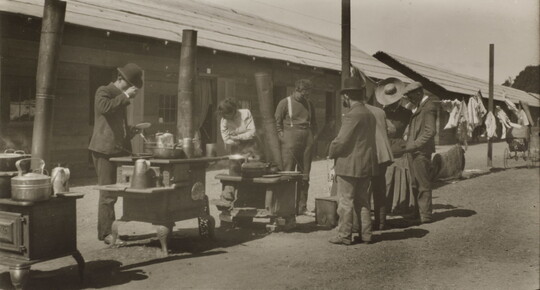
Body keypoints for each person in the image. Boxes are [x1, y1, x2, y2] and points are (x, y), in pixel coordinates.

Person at [88, 63, 143, 245]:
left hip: (117, 150)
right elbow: (104, 108)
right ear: (120, 79)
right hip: (104, 150)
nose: (132, 90)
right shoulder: (103, 91)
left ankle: (110, 230)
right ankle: (106, 234)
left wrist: (131, 130)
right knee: (107, 194)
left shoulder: (120, 97)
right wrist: (126, 95)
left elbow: (115, 123)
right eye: (130, 85)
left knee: (116, 192)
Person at [328, 77, 378, 245]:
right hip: (366, 165)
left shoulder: (352, 115)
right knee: (363, 201)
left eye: (343, 97)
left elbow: (341, 141)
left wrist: (331, 152)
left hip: (349, 165)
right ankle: (367, 235)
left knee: (345, 202)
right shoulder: (369, 113)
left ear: (347, 97)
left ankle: (344, 236)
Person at [275, 79, 317, 216]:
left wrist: (312, 138)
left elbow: (314, 123)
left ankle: (302, 207)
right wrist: (282, 137)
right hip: (290, 139)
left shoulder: (309, 104)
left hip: (307, 139)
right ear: (296, 90)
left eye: (308, 95)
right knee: (287, 174)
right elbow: (277, 122)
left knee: (305, 175)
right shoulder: (284, 102)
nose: (305, 97)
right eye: (303, 94)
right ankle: (284, 207)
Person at [402, 82, 439, 224]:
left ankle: (426, 215)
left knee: (423, 184)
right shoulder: (420, 106)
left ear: (418, 93)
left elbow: (430, 131)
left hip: (421, 152)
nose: (409, 99)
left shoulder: (428, 107)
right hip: (414, 151)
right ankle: (417, 212)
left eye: (411, 96)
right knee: (414, 183)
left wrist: (414, 144)